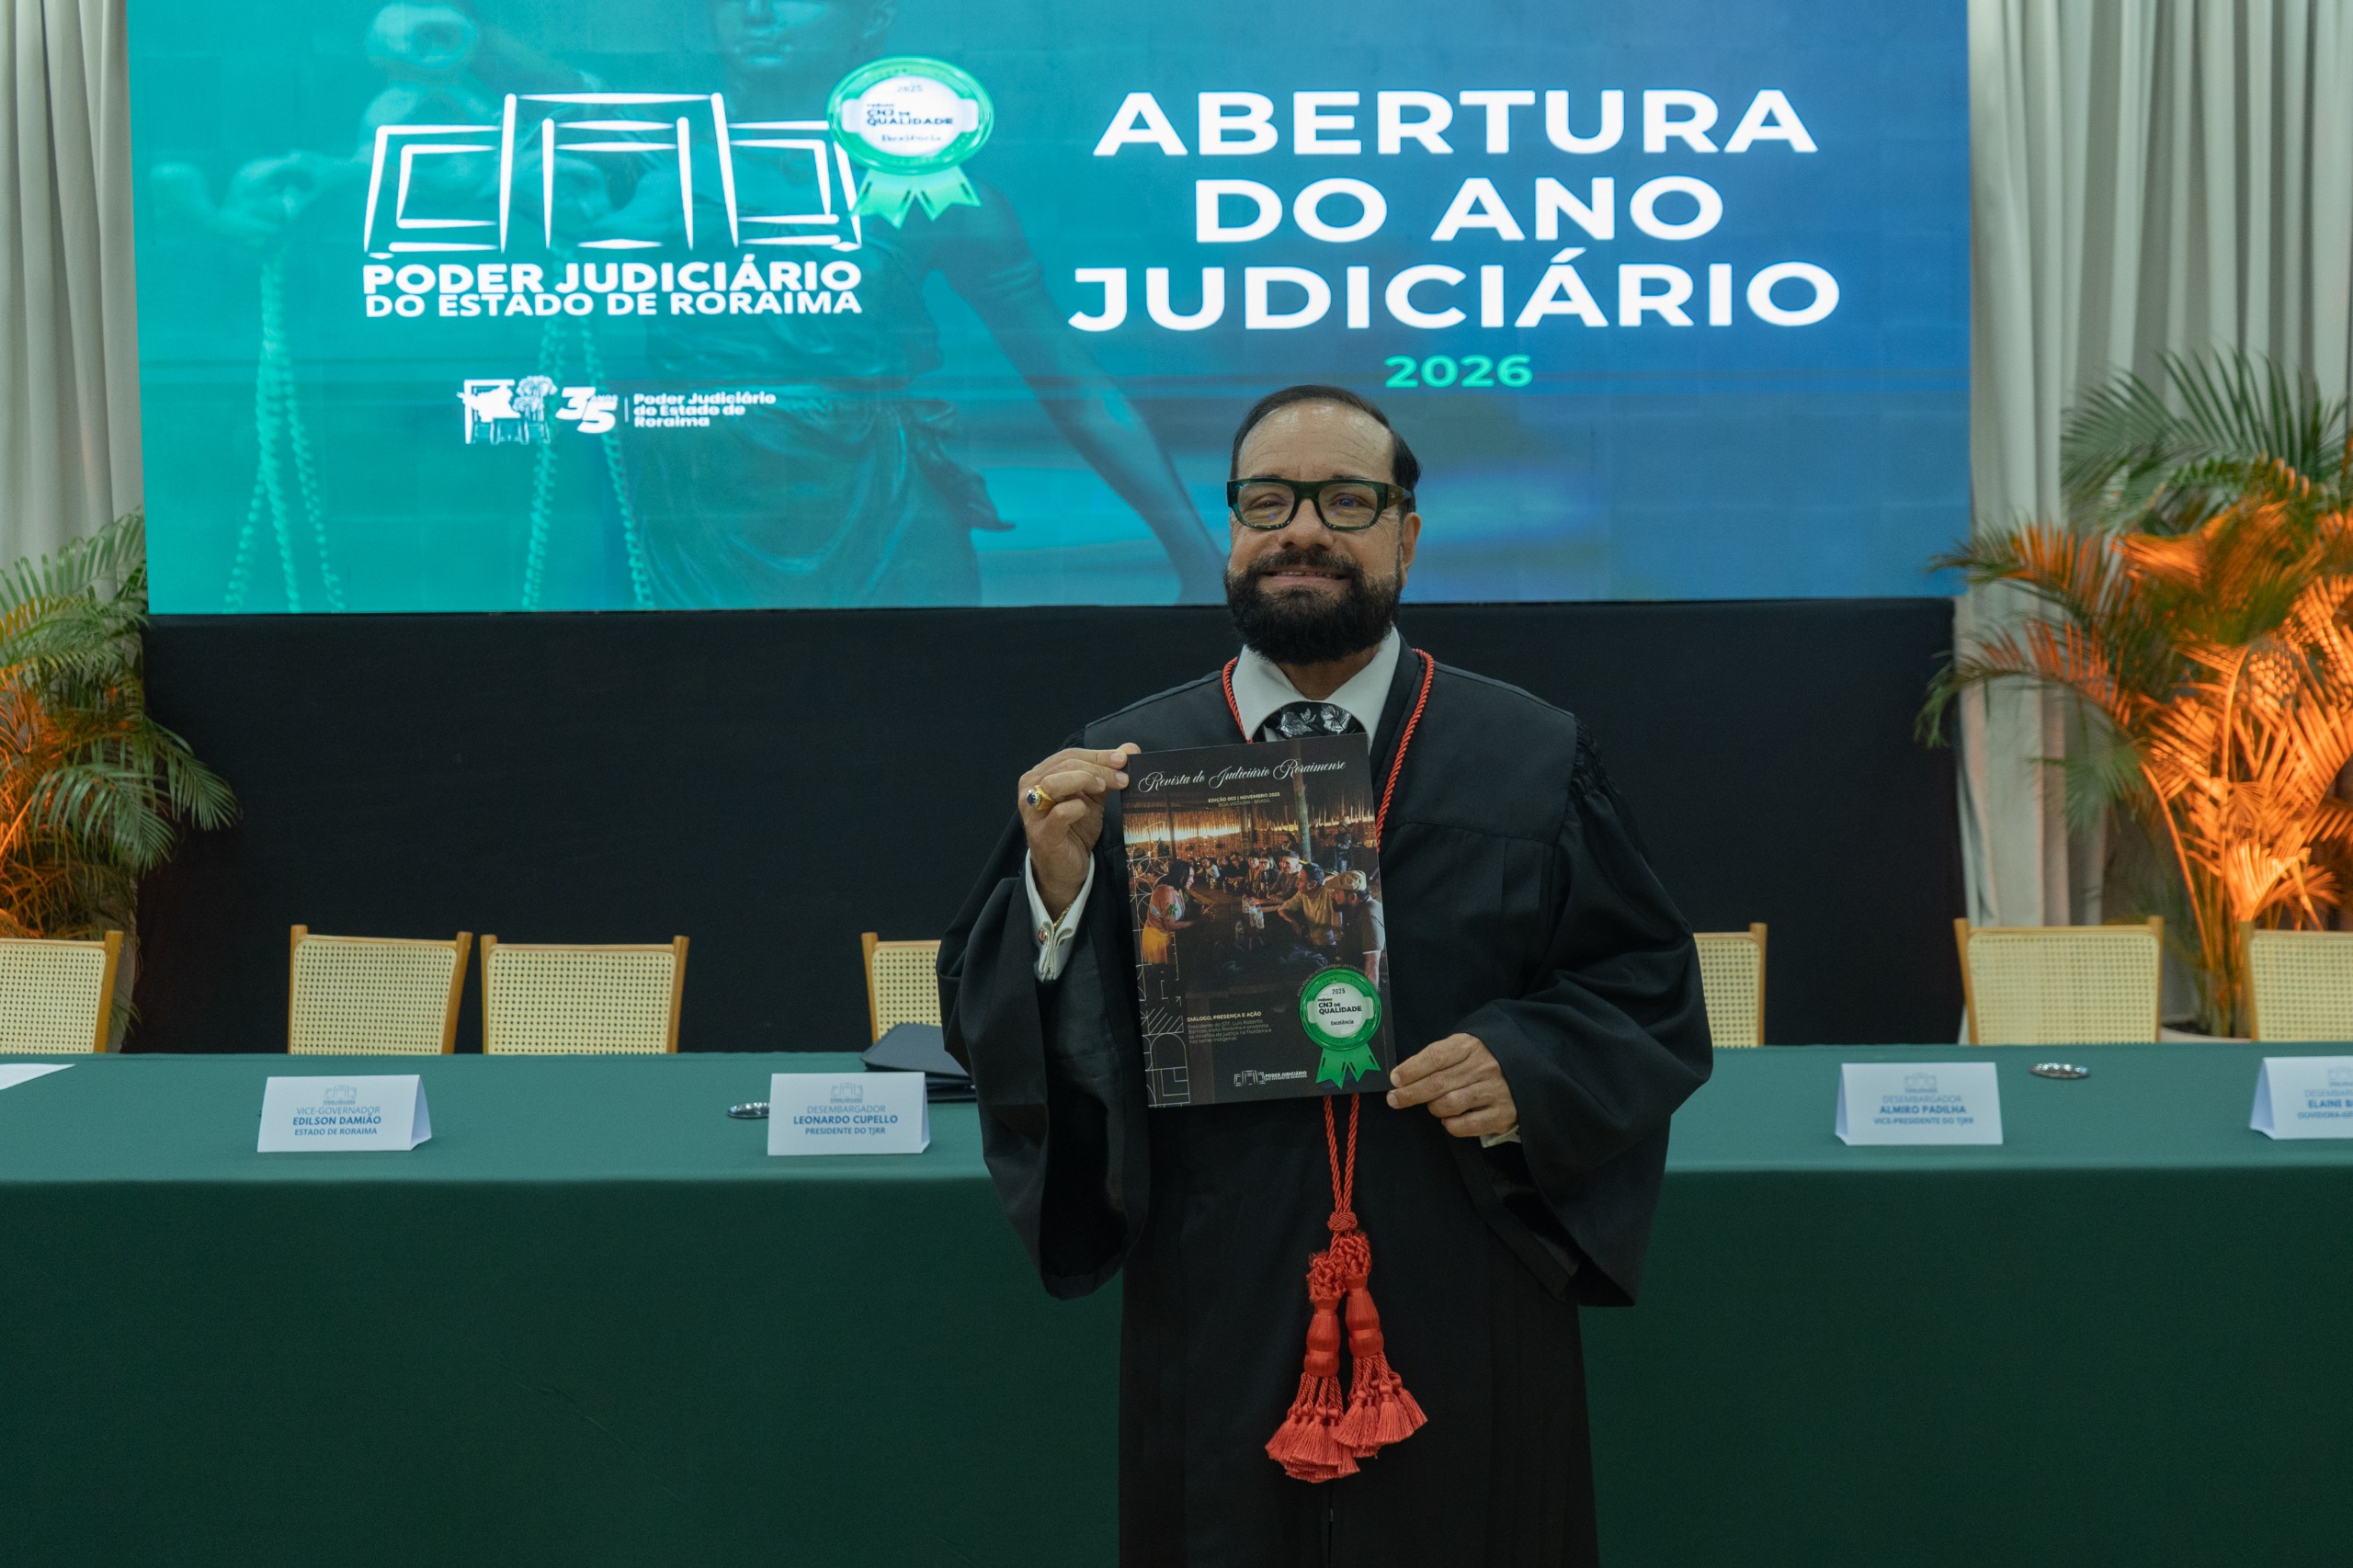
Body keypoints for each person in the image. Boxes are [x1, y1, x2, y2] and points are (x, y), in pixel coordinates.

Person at [940, 384, 1710, 1566]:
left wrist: (1527, 1061)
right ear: (1231, 529)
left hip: (1460, 1261)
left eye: (1345, 500)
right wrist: (1056, 892)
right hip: (1218, 1268)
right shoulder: (1127, 767)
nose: (1301, 529)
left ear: (1406, 532)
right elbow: (1002, 1024)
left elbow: (1644, 986)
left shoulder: (1524, 755)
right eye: (1268, 501)